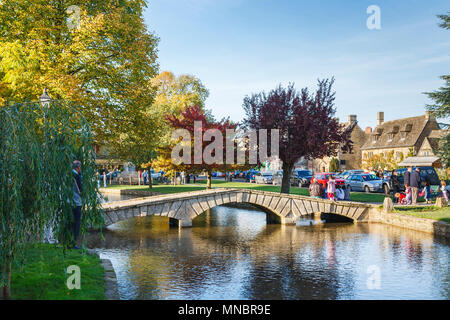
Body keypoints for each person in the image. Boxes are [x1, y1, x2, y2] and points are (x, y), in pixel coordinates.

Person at [72, 160, 83, 249]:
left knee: (70, 223)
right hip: (76, 203)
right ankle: (73, 243)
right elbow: (81, 190)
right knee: (76, 223)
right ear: (78, 167)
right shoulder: (77, 177)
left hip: (68, 203)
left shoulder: (67, 175)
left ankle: (67, 241)